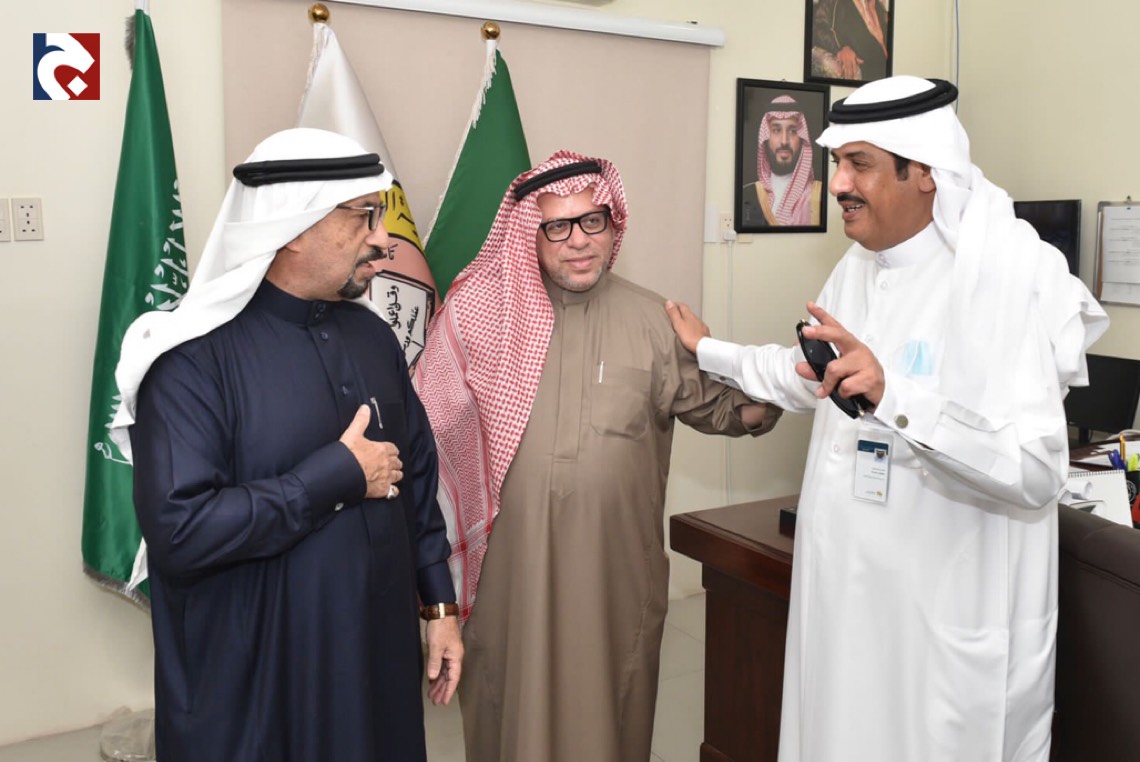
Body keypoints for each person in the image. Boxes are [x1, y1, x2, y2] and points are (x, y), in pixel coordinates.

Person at [667, 77, 1109, 761]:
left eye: (859, 164)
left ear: (924, 170)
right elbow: (807, 375)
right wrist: (709, 350)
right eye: (836, 163)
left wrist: (893, 398)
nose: (838, 184)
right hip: (844, 602)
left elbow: (1036, 471)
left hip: (936, 628)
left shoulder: (1004, 278)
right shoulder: (859, 266)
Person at [412, 150, 783, 761]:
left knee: (606, 720)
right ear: (529, 236)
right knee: (509, 718)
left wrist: (764, 375)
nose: (579, 241)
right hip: (511, 580)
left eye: (592, 220)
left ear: (613, 224)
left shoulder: (654, 319)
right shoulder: (483, 320)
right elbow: (432, 442)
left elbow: (726, 410)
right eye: (557, 226)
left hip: (614, 576)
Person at [110, 128, 463, 762]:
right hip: (259, 680)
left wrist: (440, 605)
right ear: (293, 227)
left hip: (376, 658)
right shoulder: (190, 360)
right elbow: (180, 531)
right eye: (363, 216)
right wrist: (334, 477)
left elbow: (417, 477)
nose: (383, 238)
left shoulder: (374, 339)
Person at [741, 94, 823, 228]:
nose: (784, 141)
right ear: (765, 138)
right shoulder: (747, 194)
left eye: (792, 131)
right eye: (776, 130)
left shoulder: (819, 195)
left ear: (802, 139)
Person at [811, 0, 890, 82]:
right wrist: (840, 48)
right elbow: (817, 27)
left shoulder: (878, 7)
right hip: (865, 74)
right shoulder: (833, 3)